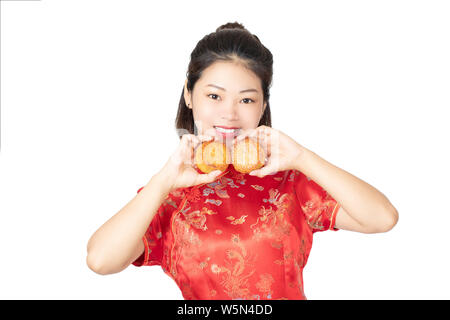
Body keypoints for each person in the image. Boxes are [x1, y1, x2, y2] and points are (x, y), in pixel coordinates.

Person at [86, 22, 399, 300]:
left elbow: (382, 218)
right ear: (189, 95)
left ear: (262, 105)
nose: (230, 113)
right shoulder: (168, 195)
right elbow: (100, 260)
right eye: (214, 96)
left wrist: (303, 158)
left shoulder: (288, 181)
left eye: (246, 99)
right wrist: (163, 182)